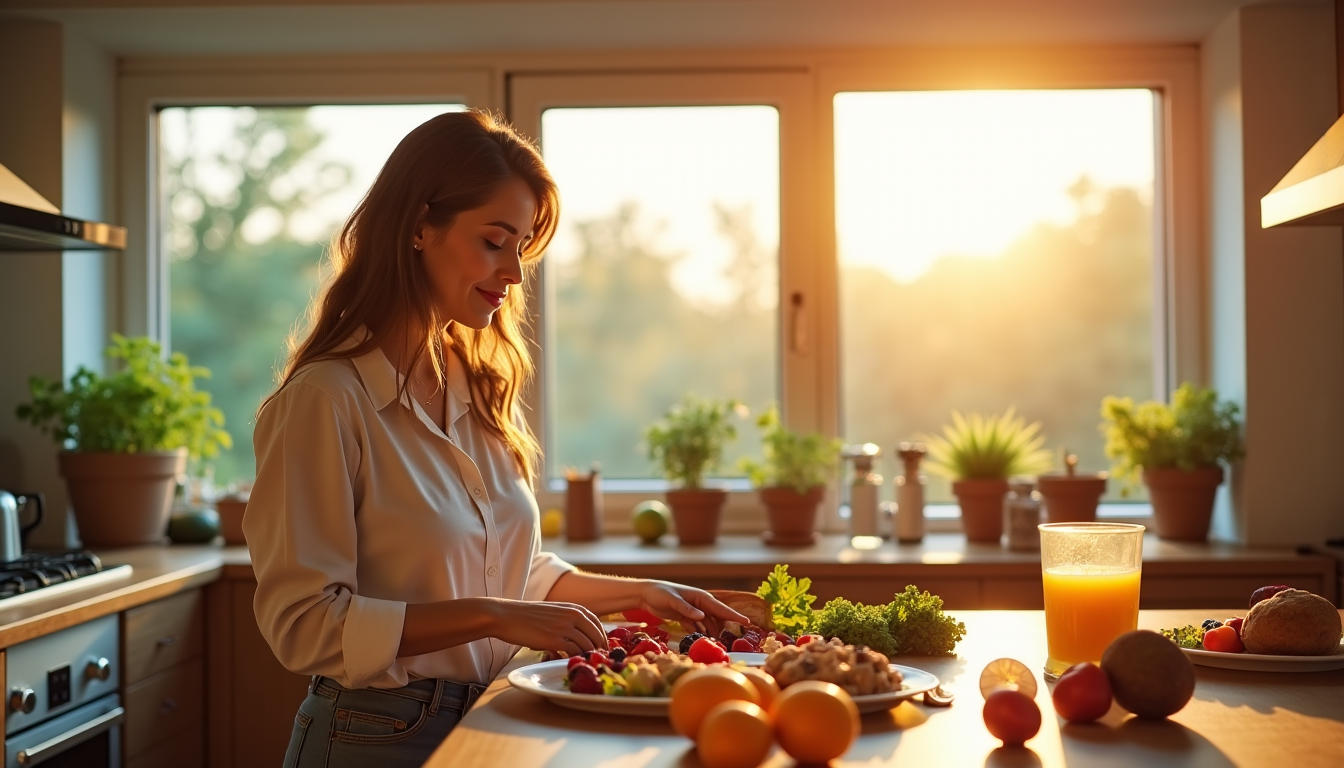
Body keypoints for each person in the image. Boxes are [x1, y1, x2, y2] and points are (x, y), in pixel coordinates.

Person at [244, 109, 749, 768]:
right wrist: (491, 615)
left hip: (492, 716)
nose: (513, 272)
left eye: (523, 246)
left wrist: (645, 593)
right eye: (494, 241)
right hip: (370, 734)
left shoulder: (472, 385)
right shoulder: (326, 400)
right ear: (420, 227)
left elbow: (516, 575)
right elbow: (304, 623)